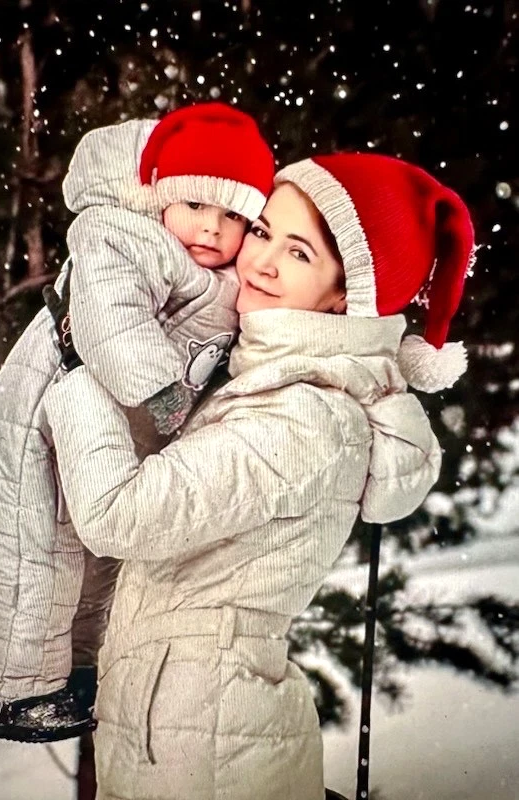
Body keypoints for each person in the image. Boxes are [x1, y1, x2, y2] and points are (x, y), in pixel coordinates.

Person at [43, 152, 474, 800]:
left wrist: (78, 372)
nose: (260, 261)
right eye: (264, 231)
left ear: (345, 294)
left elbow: (119, 514)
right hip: (182, 732)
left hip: (211, 753)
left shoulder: (307, 417)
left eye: (299, 253)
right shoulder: (259, 382)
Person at [0, 102, 275, 743]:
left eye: (232, 216)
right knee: (38, 555)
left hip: (105, 432)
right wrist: (164, 396)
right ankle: (19, 693)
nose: (212, 227)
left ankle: (80, 674)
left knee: (99, 563)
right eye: (195, 204)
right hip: (39, 421)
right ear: (161, 195)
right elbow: (112, 323)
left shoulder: (223, 275)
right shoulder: (123, 237)